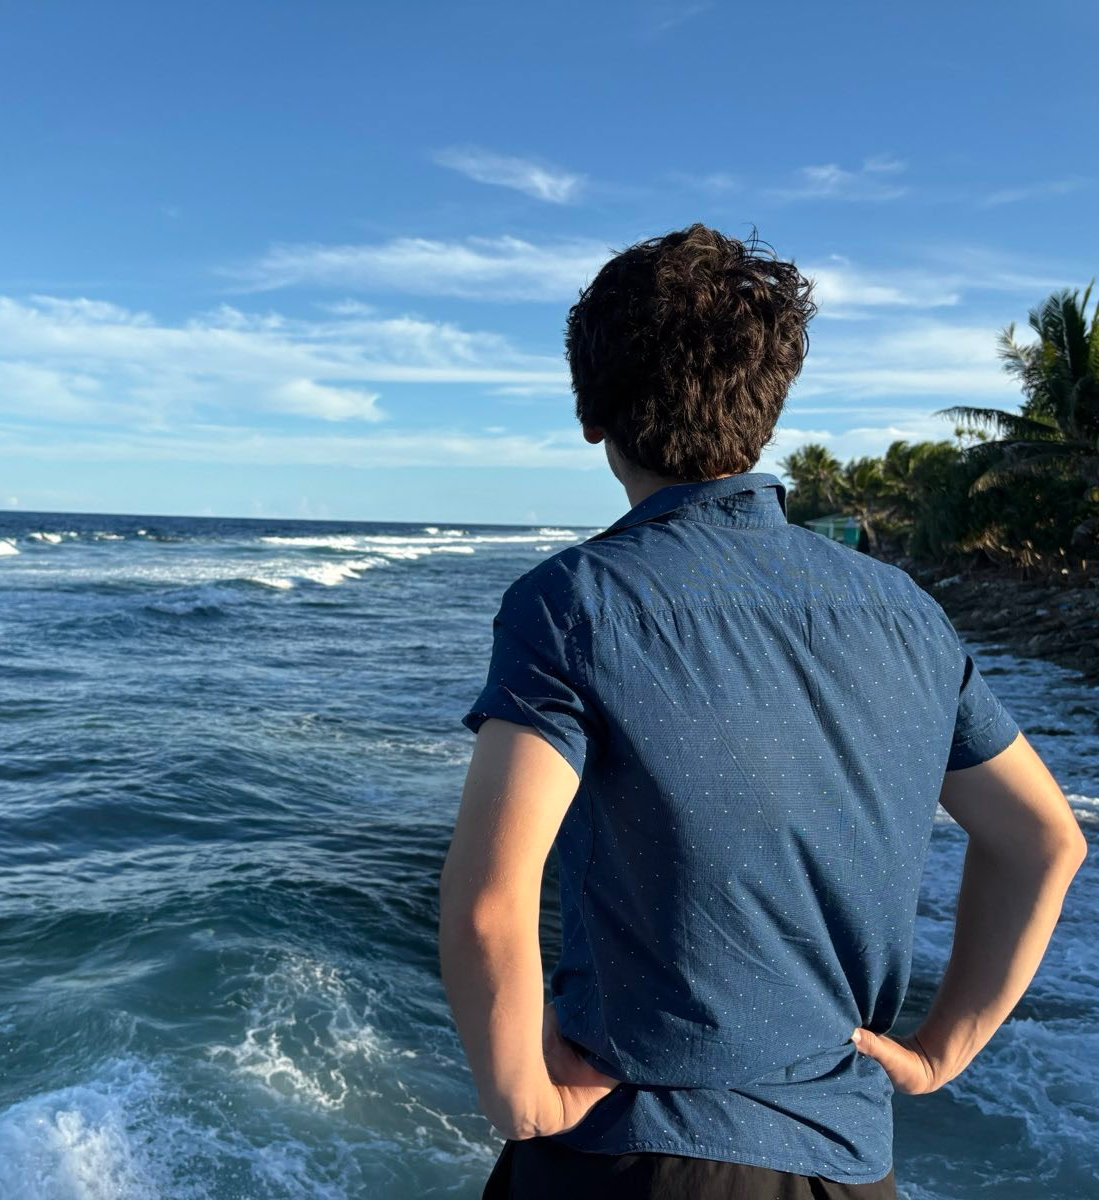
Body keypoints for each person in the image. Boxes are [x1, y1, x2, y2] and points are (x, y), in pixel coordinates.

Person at [438, 223, 1087, 1199]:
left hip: (629, 1157)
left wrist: (517, 1094)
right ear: (767, 405)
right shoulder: (905, 613)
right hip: (847, 1163)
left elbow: (491, 900)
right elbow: (1045, 841)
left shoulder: (574, 604)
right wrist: (942, 1048)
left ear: (588, 411)